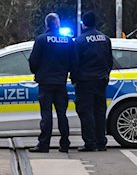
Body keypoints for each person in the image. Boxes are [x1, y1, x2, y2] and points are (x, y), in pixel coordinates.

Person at [28, 13, 75, 153]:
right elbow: (73, 61)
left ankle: (44, 144)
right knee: (62, 114)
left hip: (45, 83)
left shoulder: (41, 40)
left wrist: (38, 71)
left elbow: (33, 61)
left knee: (46, 114)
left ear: (46, 24)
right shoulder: (67, 40)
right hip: (61, 82)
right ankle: (65, 143)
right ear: (58, 24)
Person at [72, 11, 114, 152]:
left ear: (83, 24)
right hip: (101, 80)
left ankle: (90, 143)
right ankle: (101, 142)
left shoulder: (80, 40)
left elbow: (75, 63)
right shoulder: (105, 39)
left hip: (85, 82)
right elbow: (109, 60)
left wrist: (74, 79)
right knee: (100, 111)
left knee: (86, 112)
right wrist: (106, 74)